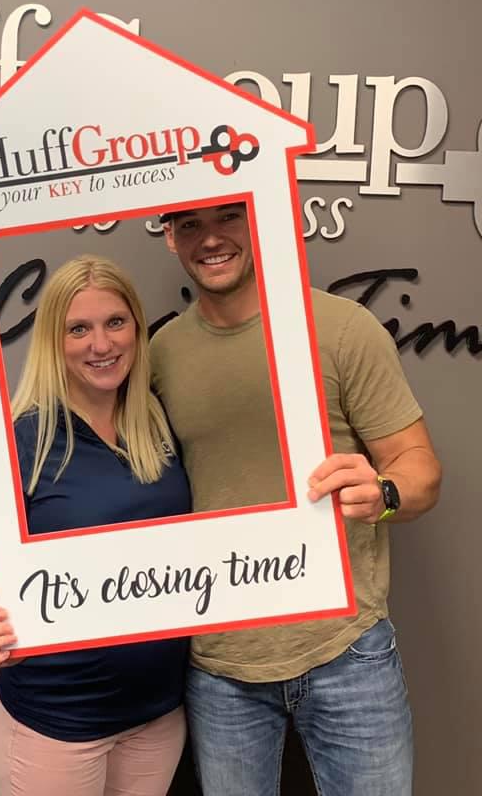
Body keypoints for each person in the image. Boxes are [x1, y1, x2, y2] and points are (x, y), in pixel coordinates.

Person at [150, 203, 442, 796]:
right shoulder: (161, 353)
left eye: (229, 217)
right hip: (220, 666)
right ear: (170, 238)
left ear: (260, 219)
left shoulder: (342, 328)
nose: (211, 239)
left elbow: (421, 470)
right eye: (190, 225)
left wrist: (384, 492)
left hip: (348, 650)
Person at [0, 255, 190, 796]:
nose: (101, 344)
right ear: (53, 341)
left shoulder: (159, 422)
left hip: (157, 715)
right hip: (56, 720)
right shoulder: (17, 442)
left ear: (136, 327)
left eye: (115, 322)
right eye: (78, 329)